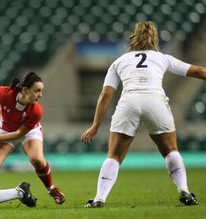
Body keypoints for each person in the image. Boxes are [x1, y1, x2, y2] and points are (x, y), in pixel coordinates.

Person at [81, 21, 206, 208]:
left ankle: (99, 198)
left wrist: (95, 126)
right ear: (155, 38)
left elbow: (106, 94)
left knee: (114, 156)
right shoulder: (162, 58)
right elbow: (197, 71)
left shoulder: (119, 61)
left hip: (129, 101)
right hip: (156, 100)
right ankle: (184, 190)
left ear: (133, 38)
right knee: (171, 150)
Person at [0, 72, 66, 205]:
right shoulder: (4, 94)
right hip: (5, 130)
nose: (40, 95)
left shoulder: (36, 110)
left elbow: (19, 134)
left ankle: (52, 189)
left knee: (37, 160)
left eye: (41, 91)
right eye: (37, 91)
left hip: (28, 131)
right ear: (25, 90)